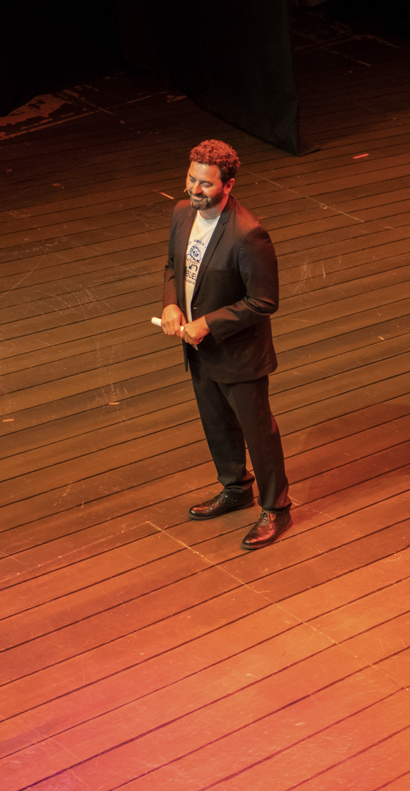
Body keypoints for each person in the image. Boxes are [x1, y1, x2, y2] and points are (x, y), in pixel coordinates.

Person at [159, 139, 292, 550]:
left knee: (258, 433)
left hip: (238, 354)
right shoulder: (182, 213)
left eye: (206, 184)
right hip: (198, 347)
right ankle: (236, 487)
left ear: (228, 185)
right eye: (191, 179)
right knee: (216, 423)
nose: (194, 190)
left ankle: (277, 508)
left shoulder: (248, 234)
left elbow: (264, 301)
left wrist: (208, 324)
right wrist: (170, 305)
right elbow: (173, 266)